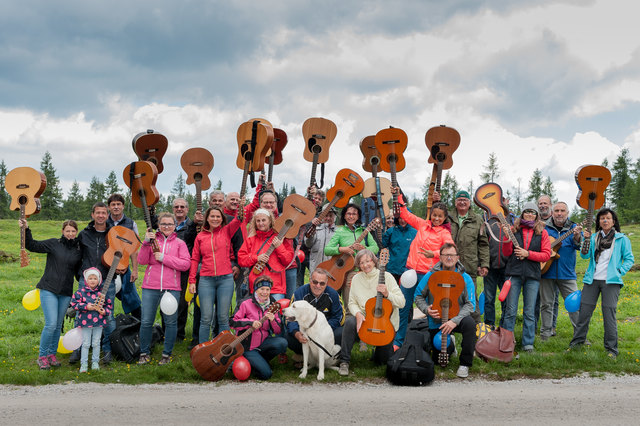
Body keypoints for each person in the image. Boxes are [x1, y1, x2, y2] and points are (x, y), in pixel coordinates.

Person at [569, 208, 634, 358]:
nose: (605, 220)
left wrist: (619, 271)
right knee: (584, 313)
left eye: (608, 218)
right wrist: (585, 240)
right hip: (592, 280)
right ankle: (576, 344)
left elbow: (629, 259)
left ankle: (611, 350)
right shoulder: (593, 238)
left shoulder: (621, 239)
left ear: (613, 221)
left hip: (611, 281)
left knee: (608, 314)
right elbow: (584, 256)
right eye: (602, 218)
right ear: (598, 222)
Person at [393, 187, 453, 348]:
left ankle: (432, 343)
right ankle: (398, 342)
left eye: (440, 216)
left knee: (431, 311)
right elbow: (405, 214)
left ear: (445, 217)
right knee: (403, 308)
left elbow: (450, 251)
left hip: (429, 276)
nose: (436, 218)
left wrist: (433, 254)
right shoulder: (422, 225)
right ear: (431, 215)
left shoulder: (444, 233)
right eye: (434, 215)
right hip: (410, 272)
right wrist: (398, 195)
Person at [21, 218, 82, 369]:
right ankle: (42, 356)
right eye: (67, 231)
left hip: (66, 292)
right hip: (49, 289)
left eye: (73, 231)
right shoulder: (54, 243)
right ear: (62, 231)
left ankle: (51, 355)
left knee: (57, 325)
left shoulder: (78, 251)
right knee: (51, 324)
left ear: (76, 232)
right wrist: (26, 229)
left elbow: (78, 272)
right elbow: (31, 245)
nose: (70, 234)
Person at [338, 249, 405, 376]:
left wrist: (387, 294)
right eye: (361, 262)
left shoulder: (387, 277)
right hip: (365, 320)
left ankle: (378, 353)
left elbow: (402, 302)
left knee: (382, 362)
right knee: (350, 322)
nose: (365, 265)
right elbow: (351, 302)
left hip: (385, 325)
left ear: (374, 262)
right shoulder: (356, 279)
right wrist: (357, 313)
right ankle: (344, 361)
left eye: (368, 261)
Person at [414, 242, 476, 378]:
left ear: (457, 257)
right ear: (440, 258)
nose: (449, 258)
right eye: (445, 255)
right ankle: (451, 345)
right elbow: (418, 295)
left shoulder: (465, 278)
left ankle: (465, 363)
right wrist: (426, 309)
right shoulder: (431, 275)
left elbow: (471, 304)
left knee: (470, 324)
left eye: (452, 255)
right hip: (437, 320)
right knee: (439, 361)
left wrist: (455, 320)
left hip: (457, 318)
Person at [137, 212, 191, 364]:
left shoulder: (180, 243)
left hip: (171, 288)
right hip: (150, 287)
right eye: (163, 224)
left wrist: (164, 258)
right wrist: (146, 243)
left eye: (170, 224)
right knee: (146, 321)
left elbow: (185, 264)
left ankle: (167, 354)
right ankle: (144, 352)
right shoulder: (153, 241)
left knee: (170, 322)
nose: (166, 226)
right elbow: (141, 261)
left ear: (175, 226)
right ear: (158, 226)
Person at [500, 202, 551, 352]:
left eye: (533, 212)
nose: (530, 214)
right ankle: (507, 342)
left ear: (537, 215)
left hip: (532, 276)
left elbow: (546, 254)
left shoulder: (542, 232)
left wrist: (528, 254)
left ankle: (528, 343)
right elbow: (507, 252)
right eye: (527, 211)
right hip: (513, 274)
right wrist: (507, 238)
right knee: (510, 310)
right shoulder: (513, 229)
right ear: (522, 214)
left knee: (529, 312)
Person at [189, 205, 242, 343]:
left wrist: (242, 206)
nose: (215, 219)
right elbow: (194, 259)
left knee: (223, 317)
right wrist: (192, 281)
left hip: (225, 280)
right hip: (206, 280)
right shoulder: (200, 236)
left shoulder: (227, 231)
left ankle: (223, 350)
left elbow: (239, 219)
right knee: (206, 318)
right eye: (212, 216)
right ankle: (203, 351)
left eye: (218, 216)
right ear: (207, 218)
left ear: (222, 219)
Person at [73, 202, 115, 364]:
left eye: (104, 213)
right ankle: (77, 349)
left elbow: (121, 253)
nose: (101, 216)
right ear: (92, 215)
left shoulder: (113, 233)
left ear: (108, 214)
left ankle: (106, 350)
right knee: (80, 314)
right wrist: (79, 275)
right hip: (86, 279)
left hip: (107, 279)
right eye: (98, 213)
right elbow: (77, 256)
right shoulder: (84, 234)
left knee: (107, 315)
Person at [539, 202, 582, 340]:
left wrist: (577, 236)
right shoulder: (545, 228)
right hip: (546, 271)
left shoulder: (574, 227)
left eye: (562, 210)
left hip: (567, 273)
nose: (559, 213)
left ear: (567, 213)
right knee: (546, 304)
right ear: (552, 212)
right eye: (556, 210)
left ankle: (580, 336)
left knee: (574, 304)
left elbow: (578, 246)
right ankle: (545, 334)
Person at [230, 276, 288, 380]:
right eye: (262, 289)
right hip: (247, 347)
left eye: (267, 289)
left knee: (282, 343)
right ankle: (250, 362)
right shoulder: (245, 303)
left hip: (263, 343)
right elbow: (232, 322)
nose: (265, 292)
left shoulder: (273, 305)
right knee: (266, 374)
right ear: (256, 290)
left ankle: (260, 361)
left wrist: (273, 321)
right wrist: (250, 323)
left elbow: (278, 330)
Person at [324, 203, 379, 305]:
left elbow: (375, 248)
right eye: (348, 214)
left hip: (364, 271)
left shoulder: (364, 231)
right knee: (349, 303)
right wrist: (342, 249)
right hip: (348, 273)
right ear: (344, 215)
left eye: (354, 214)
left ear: (358, 216)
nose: (351, 216)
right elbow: (327, 250)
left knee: (365, 303)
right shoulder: (340, 231)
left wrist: (364, 248)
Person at [286, 268, 345, 361]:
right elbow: (290, 318)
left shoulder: (333, 294)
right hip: (304, 332)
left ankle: (329, 357)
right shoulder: (299, 293)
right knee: (288, 335)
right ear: (310, 280)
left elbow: (340, 317)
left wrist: (324, 329)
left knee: (342, 332)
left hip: (326, 332)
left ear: (326, 283)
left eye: (322, 283)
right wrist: (296, 333)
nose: (318, 286)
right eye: (315, 282)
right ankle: (303, 355)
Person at [238, 208, 293, 300]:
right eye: (258, 221)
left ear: (270, 221)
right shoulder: (250, 240)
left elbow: (287, 260)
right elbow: (241, 259)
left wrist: (279, 246)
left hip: (276, 287)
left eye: (263, 220)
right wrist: (256, 258)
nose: (261, 223)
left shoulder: (280, 238)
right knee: (256, 314)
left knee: (274, 314)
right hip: (257, 286)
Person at [170, 198, 201, 346]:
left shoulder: (193, 225)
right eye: (176, 207)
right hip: (169, 268)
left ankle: (179, 334)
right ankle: (167, 331)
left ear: (187, 209)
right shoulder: (169, 224)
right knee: (169, 300)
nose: (179, 209)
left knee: (183, 302)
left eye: (182, 206)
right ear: (173, 209)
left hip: (186, 268)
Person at [106, 193, 141, 320]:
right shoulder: (103, 222)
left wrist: (135, 270)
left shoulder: (131, 224)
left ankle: (139, 324)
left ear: (123, 206)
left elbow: (134, 250)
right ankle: (107, 327)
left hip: (124, 266)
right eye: (113, 204)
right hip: (106, 266)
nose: (116, 207)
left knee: (131, 296)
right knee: (105, 297)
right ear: (109, 207)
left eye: (118, 204)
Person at [70, 268, 112, 373]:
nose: (92, 280)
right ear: (86, 280)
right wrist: (86, 306)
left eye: (95, 278)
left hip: (99, 322)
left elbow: (109, 307)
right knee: (85, 343)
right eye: (90, 278)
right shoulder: (81, 292)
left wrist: (104, 311)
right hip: (85, 323)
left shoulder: (102, 294)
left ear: (99, 280)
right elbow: (74, 304)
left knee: (96, 343)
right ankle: (83, 364)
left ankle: (95, 362)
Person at [483, 198, 515, 329]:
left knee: (506, 299)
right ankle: (489, 325)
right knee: (489, 298)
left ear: (506, 202)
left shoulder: (512, 218)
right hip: (490, 266)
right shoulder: (486, 218)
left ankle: (503, 326)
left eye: (502, 202)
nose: (499, 204)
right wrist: (483, 263)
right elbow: (483, 242)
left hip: (507, 267)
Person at [381, 216, 416, 283]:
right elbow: (382, 245)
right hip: (392, 269)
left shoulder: (414, 233)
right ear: (397, 219)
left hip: (408, 270)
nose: (402, 220)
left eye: (405, 218)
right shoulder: (391, 231)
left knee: (405, 292)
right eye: (400, 218)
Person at [304, 203, 337, 273]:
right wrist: (312, 229)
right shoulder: (315, 229)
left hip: (332, 271)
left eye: (331, 216)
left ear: (334, 217)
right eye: (326, 215)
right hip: (316, 269)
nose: (328, 218)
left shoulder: (338, 232)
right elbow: (308, 244)